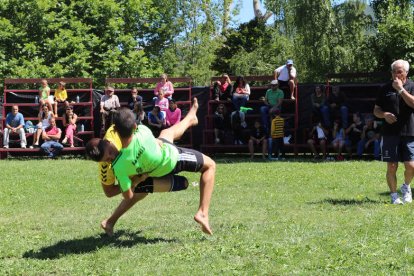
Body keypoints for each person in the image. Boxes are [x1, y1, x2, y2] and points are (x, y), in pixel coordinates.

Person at [86, 98, 215, 235]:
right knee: (208, 165)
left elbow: (127, 190)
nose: (112, 158)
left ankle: (190, 118)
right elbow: (109, 192)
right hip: (168, 161)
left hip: (149, 170)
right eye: (108, 160)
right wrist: (135, 180)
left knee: (166, 134)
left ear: (114, 134)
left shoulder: (119, 163)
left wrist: (134, 179)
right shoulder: (141, 132)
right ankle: (202, 212)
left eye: (111, 154)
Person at [373, 59, 414, 204]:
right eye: (393, 71)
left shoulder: (412, 86)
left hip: (409, 132)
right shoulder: (384, 88)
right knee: (391, 166)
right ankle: (393, 195)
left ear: (406, 73)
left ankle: (406, 187)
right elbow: (376, 110)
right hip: (390, 133)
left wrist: (401, 89)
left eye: (399, 71)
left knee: (411, 166)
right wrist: (384, 115)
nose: (395, 75)